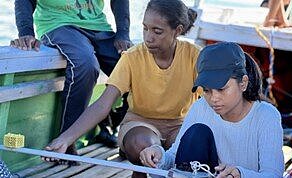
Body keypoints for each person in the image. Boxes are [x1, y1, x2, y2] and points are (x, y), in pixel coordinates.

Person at [43, 0, 200, 177]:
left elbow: (211, 103)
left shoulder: (195, 56)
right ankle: (140, 171)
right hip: (141, 125)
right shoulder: (132, 57)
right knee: (143, 144)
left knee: (191, 144)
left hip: (178, 126)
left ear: (177, 31)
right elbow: (103, 105)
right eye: (145, 28)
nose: (148, 37)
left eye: (157, 31)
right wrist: (66, 138)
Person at [10, 0, 132, 163]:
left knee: (133, 68)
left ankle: (116, 129)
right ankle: (66, 141)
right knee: (85, 64)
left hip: (98, 26)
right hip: (58, 24)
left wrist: (123, 33)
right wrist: (26, 32)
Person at [140, 42, 284, 178]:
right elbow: (175, 157)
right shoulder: (200, 107)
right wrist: (158, 155)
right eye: (207, 90)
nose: (214, 98)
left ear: (243, 83)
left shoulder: (266, 115)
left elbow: (273, 175)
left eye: (221, 89)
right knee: (197, 132)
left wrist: (240, 173)